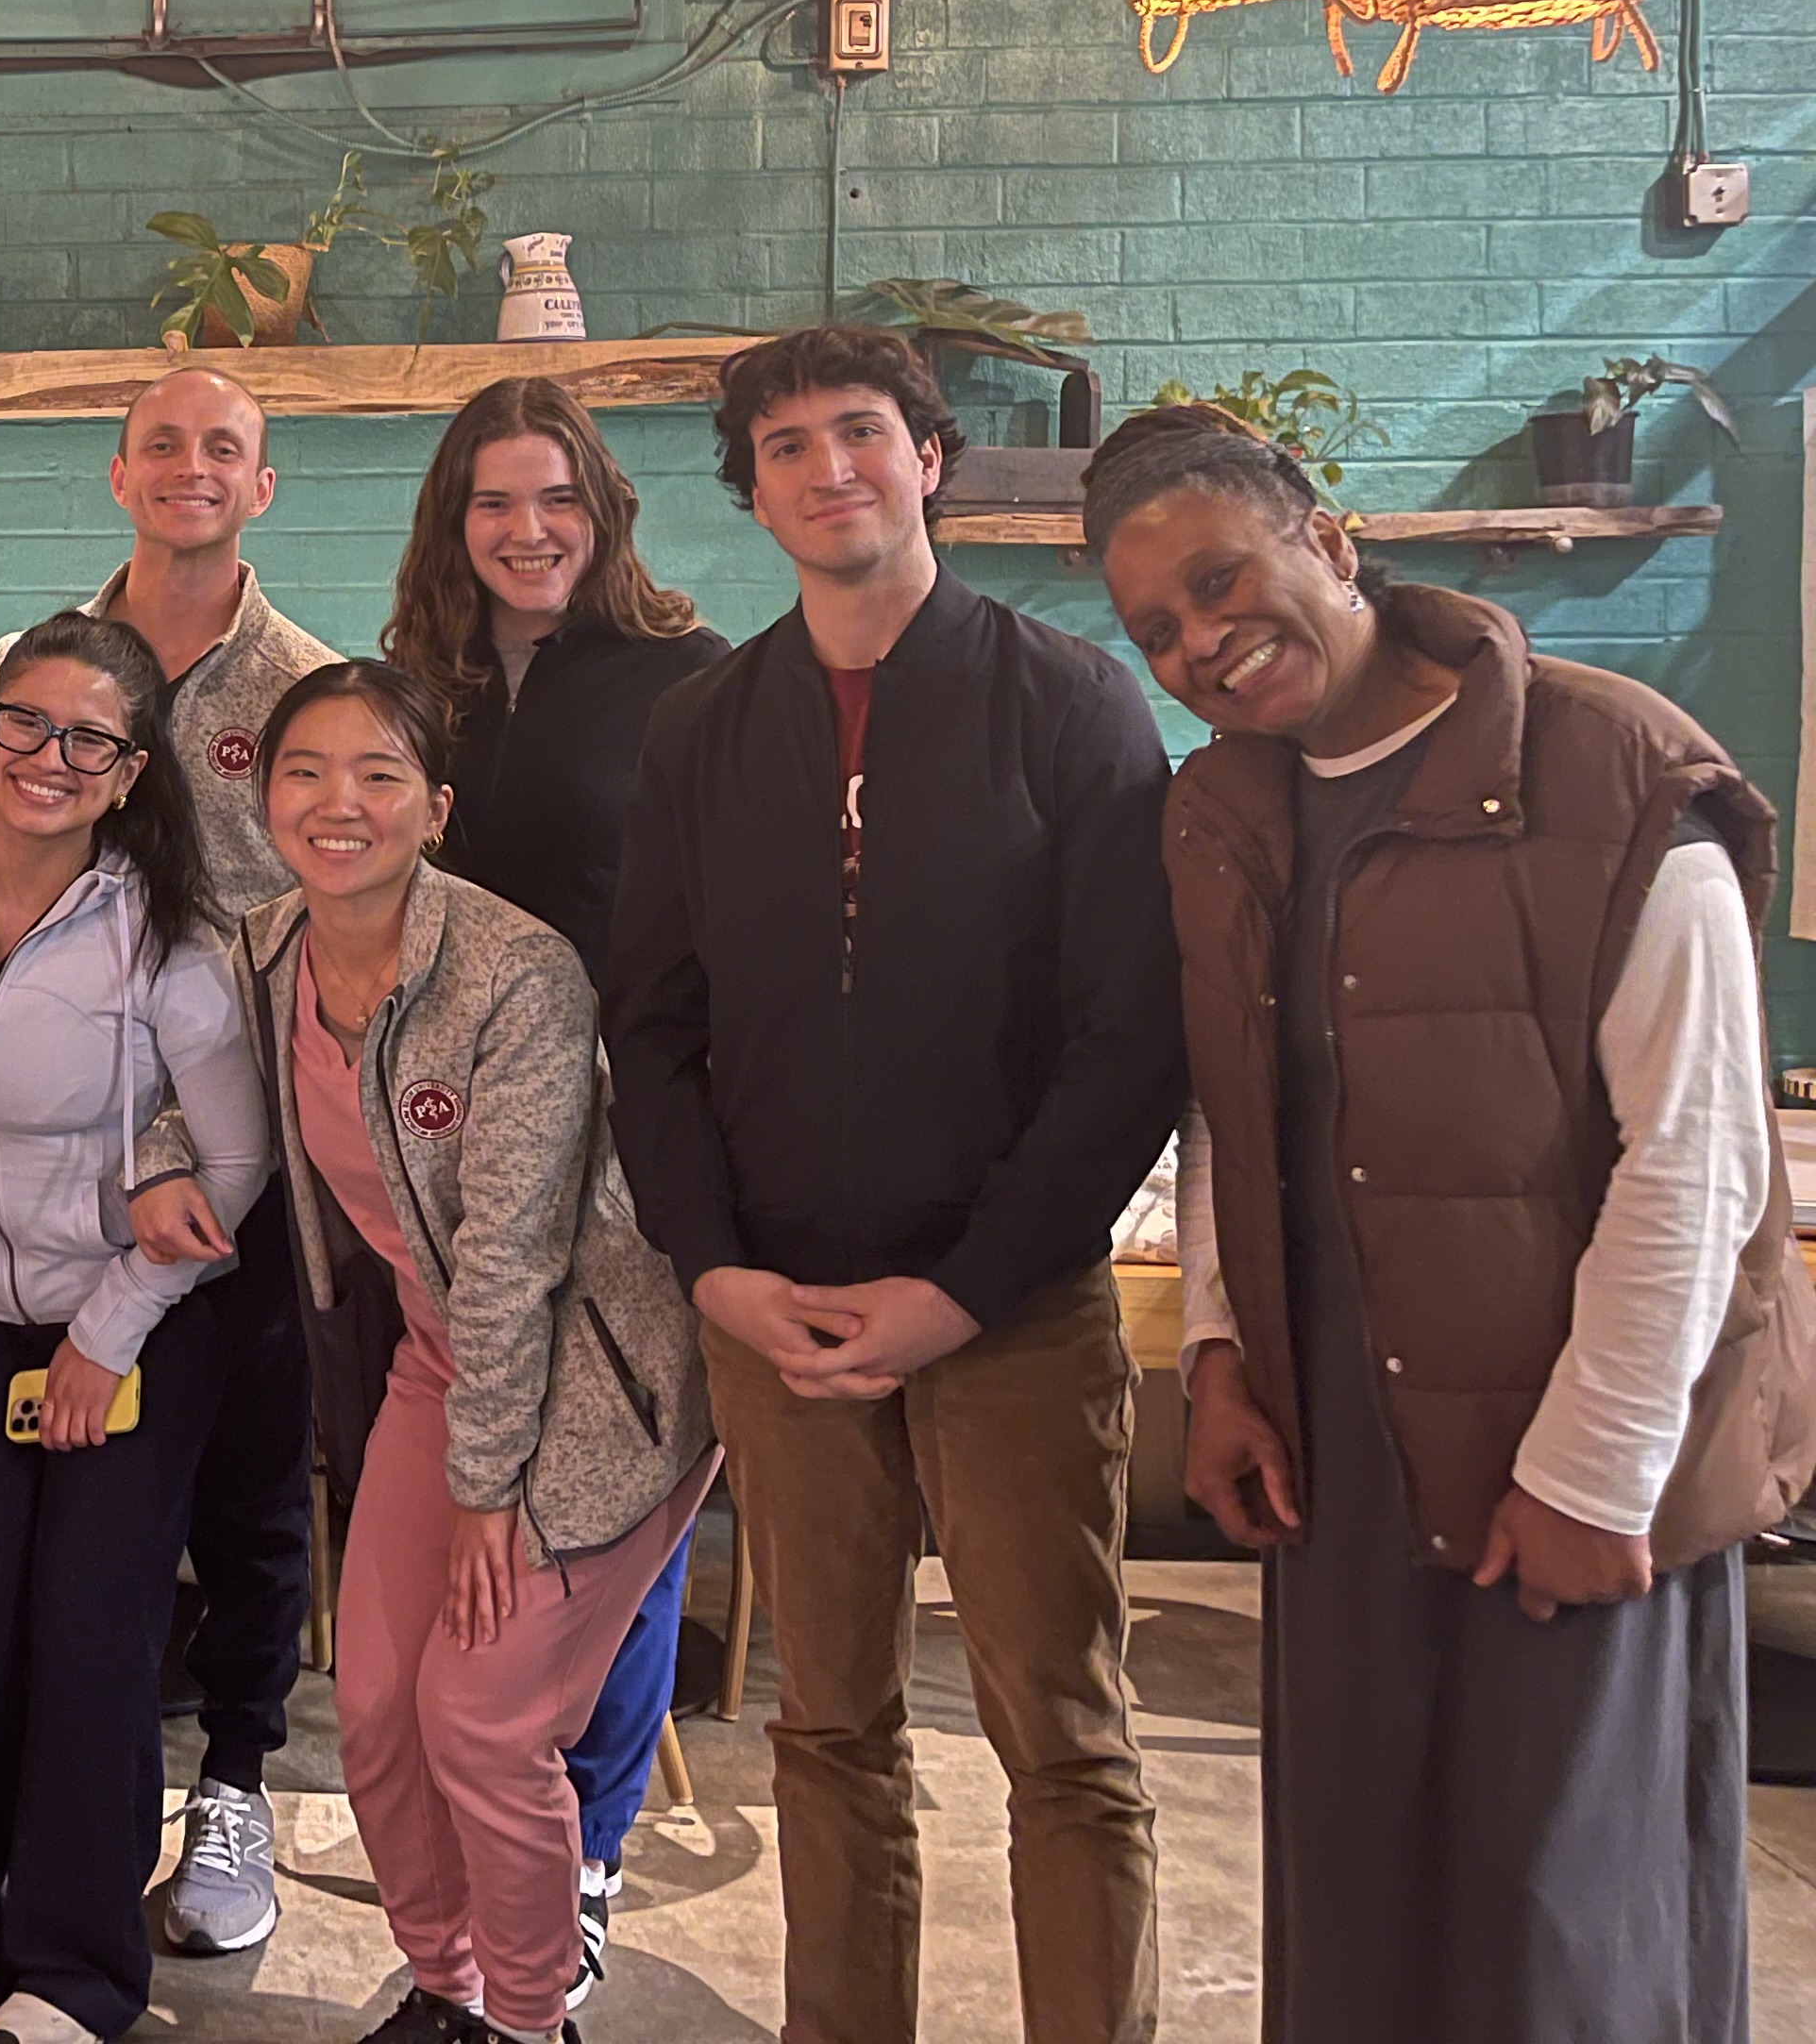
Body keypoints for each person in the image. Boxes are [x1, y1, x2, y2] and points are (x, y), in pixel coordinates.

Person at [1084, 404, 1816, 2044]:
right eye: (1156, 630)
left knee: (1559, 1934)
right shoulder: (1217, 814)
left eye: (1221, 580)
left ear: (1327, 539)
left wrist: (1592, 1469)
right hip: (1338, 1455)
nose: (1202, 641)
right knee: (1360, 1909)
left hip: (1563, 1463)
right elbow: (1231, 1103)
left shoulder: (1614, 772)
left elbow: (1694, 1162)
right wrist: (1217, 1352)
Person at [603, 325, 1185, 2044]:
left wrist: (971, 1281)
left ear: (929, 454)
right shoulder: (703, 724)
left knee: (1063, 1738)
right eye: (783, 444)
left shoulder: (1069, 698)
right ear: (752, 488)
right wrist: (712, 1266)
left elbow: (1129, 1039)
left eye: (859, 430)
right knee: (824, 1725)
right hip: (775, 1310)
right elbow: (650, 1025)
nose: (825, 465)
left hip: (1006, 1305)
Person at [143, 661, 714, 2044]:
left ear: (436, 807)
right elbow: (187, 1085)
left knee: (479, 1721)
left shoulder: (517, 973)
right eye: (306, 773)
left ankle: (529, 2020)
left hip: (598, 1388)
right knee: (382, 1721)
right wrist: (165, 1162)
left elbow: (518, 1262)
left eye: (380, 775)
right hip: (440, 1366)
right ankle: (447, 1990)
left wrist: (484, 1491)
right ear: (262, 795)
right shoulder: (264, 949)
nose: (340, 803)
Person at [0, 367, 332, 1959]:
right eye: (159, 442)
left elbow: (306, 923)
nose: (188, 467)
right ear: (116, 473)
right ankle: (33, 1824)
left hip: (229, 1175)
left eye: (218, 445)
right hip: (40, 1193)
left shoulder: (300, 688)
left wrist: (185, 1139)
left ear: (261, 483)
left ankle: (233, 1777)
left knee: (247, 1491)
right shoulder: (36, 668)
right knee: (53, 1539)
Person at [379, 376, 728, 2004]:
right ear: (452, 521)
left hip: (623, 1158)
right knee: (470, 1518)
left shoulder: (688, 681)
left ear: (603, 509)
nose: (527, 531)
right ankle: (486, 1855)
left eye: (555, 498)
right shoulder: (409, 693)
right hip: (432, 1161)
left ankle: (585, 1847)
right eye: (492, 502)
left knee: (608, 1514)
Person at [0, 615, 266, 2044]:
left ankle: (75, 1973)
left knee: (93, 1639)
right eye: (23, 724)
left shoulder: (170, 933)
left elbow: (234, 1166)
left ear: (129, 771)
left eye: (87, 739)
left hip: (137, 1329)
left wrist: (110, 1330)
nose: (48, 757)